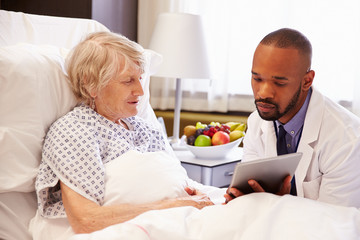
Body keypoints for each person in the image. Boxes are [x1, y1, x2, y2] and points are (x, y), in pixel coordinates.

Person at [30, 31, 213, 239]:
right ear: (91, 84)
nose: (140, 91)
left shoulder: (145, 128)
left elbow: (178, 182)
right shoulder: (73, 131)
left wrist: (198, 196)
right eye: (128, 81)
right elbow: (86, 220)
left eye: (140, 79)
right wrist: (172, 206)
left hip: (184, 218)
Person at [224, 28, 360, 208]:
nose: (263, 93)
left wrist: (281, 204)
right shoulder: (256, 122)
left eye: (279, 83)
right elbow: (249, 200)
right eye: (257, 79)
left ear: (306, 81)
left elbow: (333, 223)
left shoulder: (347, 140)